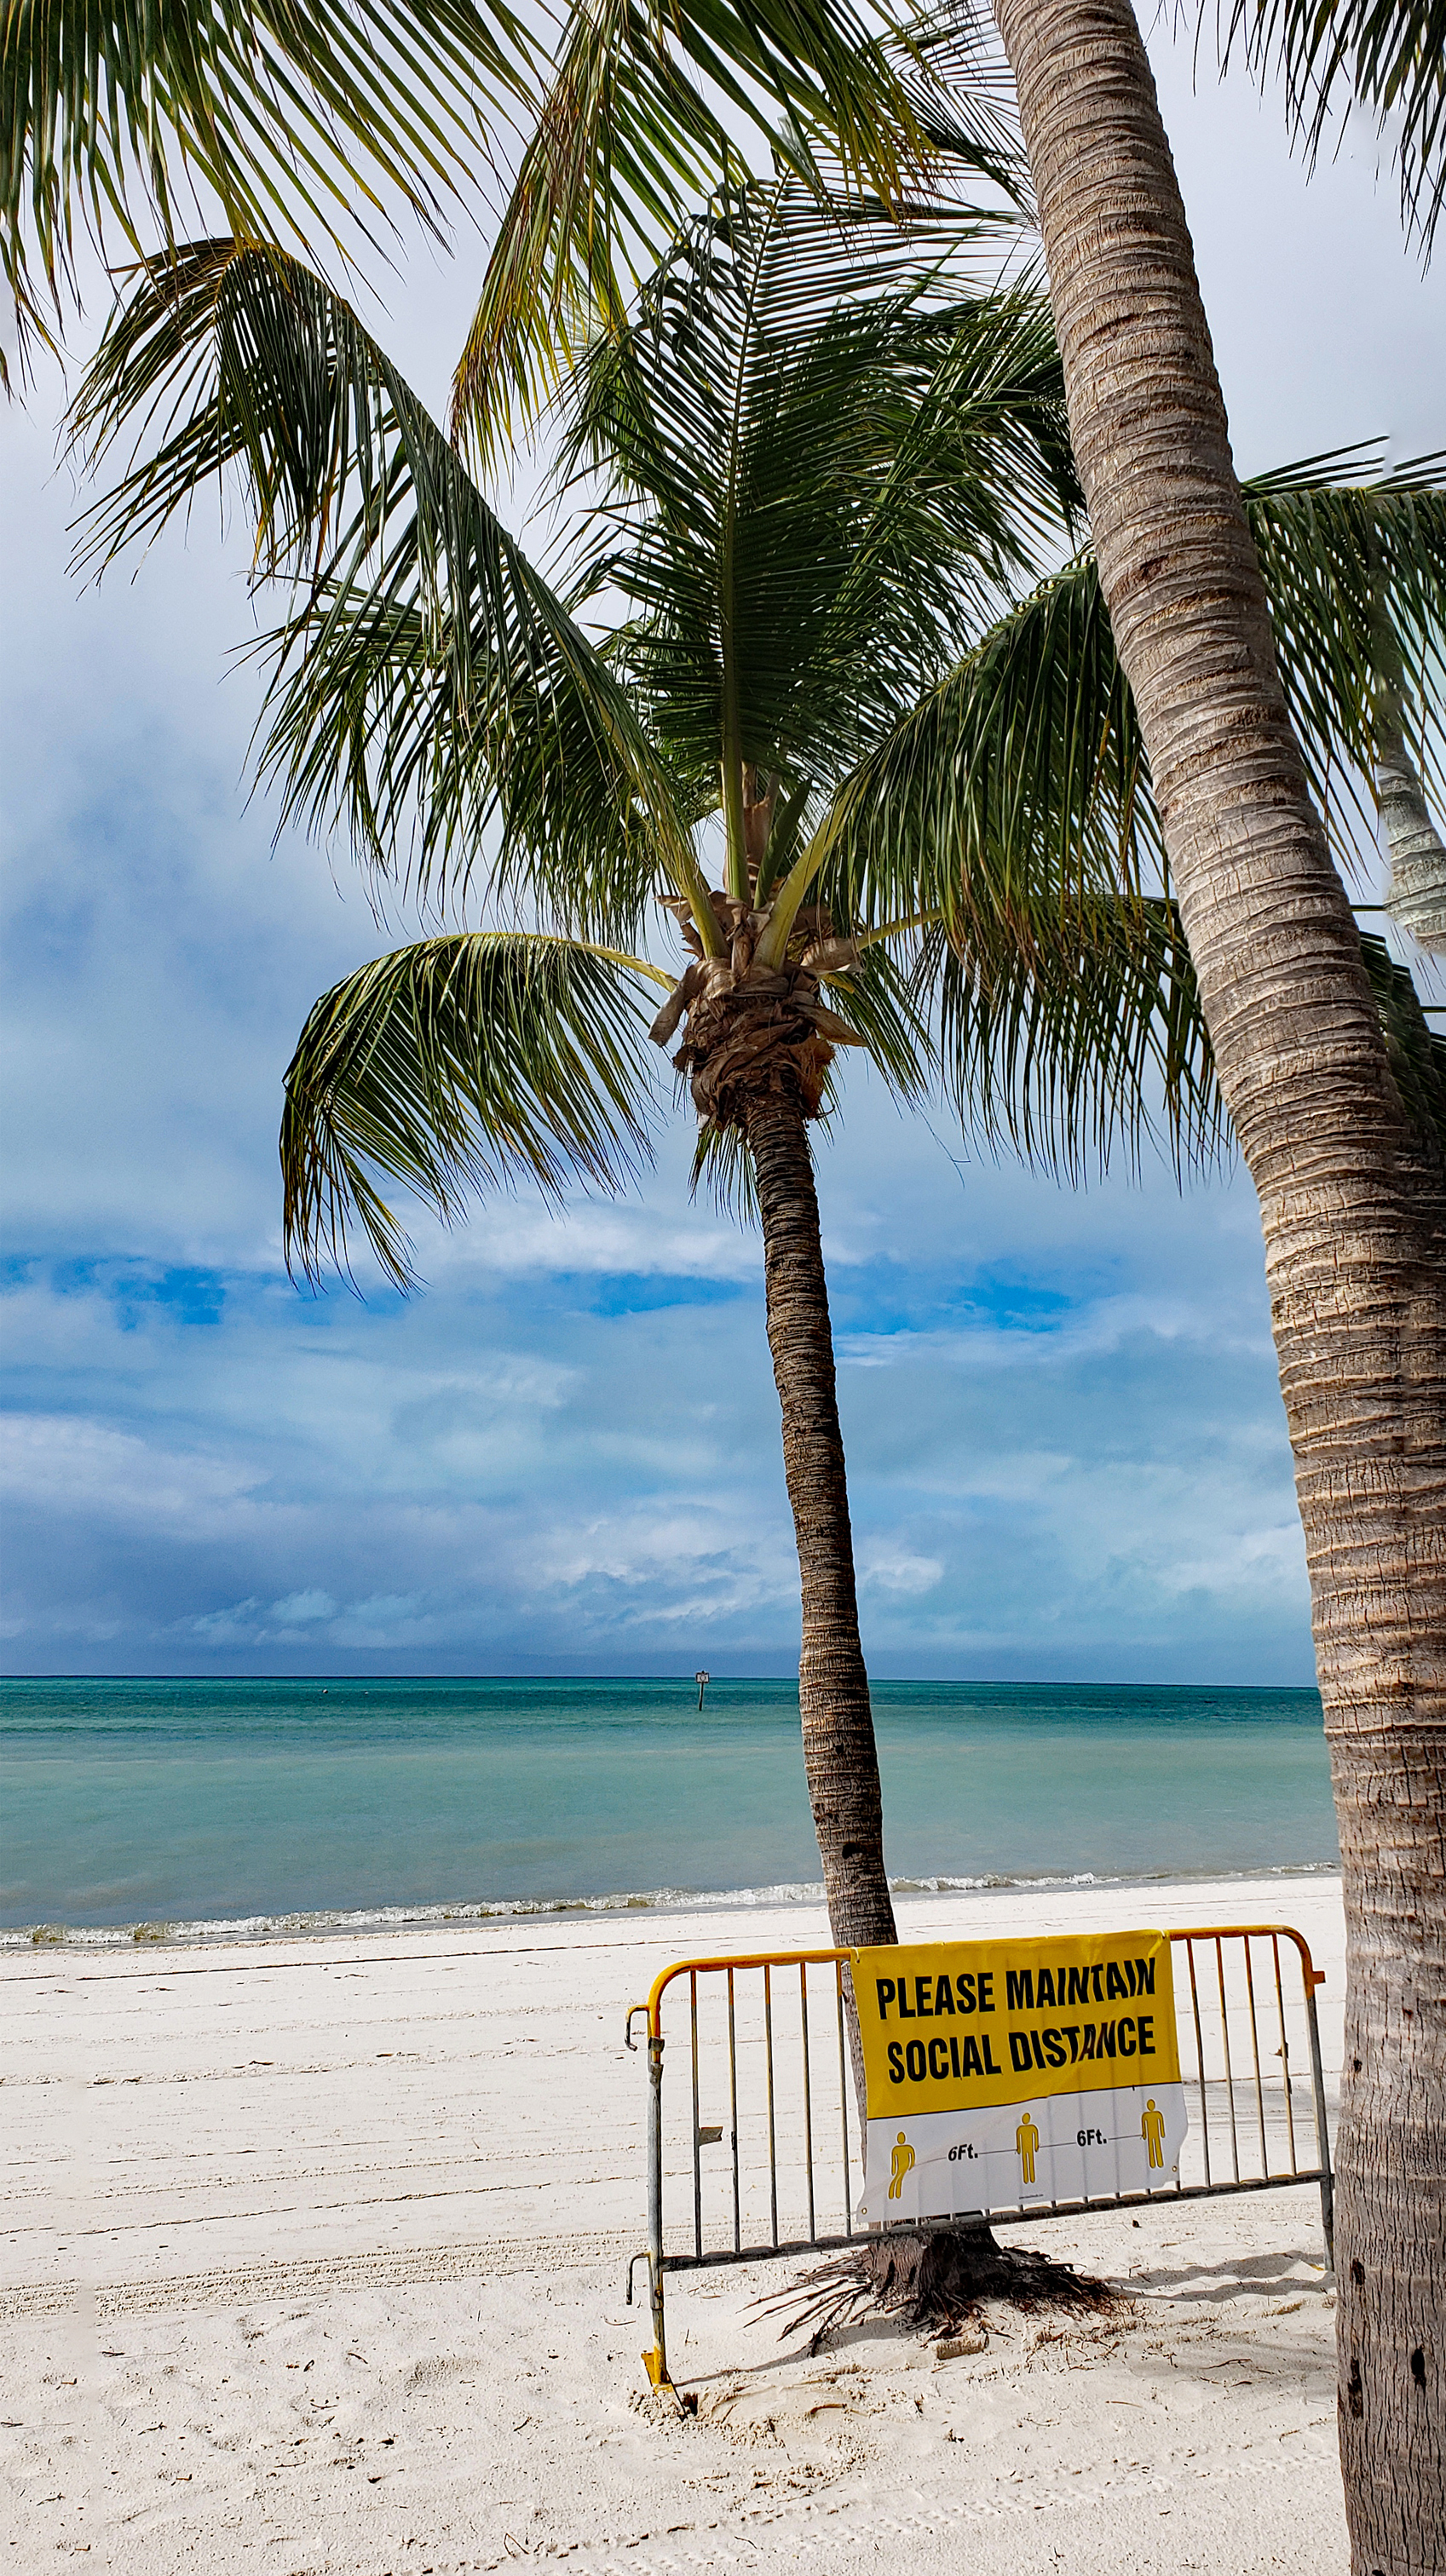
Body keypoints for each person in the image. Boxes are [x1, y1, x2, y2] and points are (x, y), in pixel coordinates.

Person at [887, 2131, 916, 2199]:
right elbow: (894, 2160)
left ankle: (897, 2194)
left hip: (906, 2166)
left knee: (899, 2179)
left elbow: (912, 2156)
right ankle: (893, 2194)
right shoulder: (895, 2149)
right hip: (900, 2167)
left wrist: (911, 2165)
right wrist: (893, 2169)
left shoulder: (908, 2148)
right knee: (897, 2179)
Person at [1141, 2096, 1167, 2170]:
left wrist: (1162, 2133)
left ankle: (1160, 2162)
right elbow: (1144, 2125)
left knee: (1157, 2147)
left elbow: (1161, 2123)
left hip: (1156, 2134)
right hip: (1150, 2135)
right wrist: (1144, 2134)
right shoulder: (1145, 2115)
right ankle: (1152, 2163)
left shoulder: (1158, 2114)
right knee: (1151, 2148)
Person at [1015, 2109, 1040, 2184]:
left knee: (1030, 2161)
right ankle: (1026, 2179)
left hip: (1030, 2148)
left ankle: (1032, 2178)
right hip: (1024, 2148)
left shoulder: (1032, 2127)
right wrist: (1018, 2148)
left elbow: (1036, 2136)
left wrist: (1036, 2146)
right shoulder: (1020, 2129)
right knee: (1025, 2162)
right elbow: (1018, 2139)